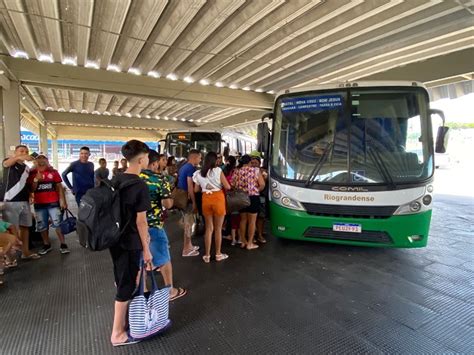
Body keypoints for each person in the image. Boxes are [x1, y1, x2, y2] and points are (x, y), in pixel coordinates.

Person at [109, 140, 153, 347]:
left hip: (114, 239)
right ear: (142, 158)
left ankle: (125, 322)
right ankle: (117, 333)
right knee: (127, 285)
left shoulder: (116, 179)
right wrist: (147, 250)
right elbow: (141, 222)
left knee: (122, 278)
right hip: (131, 241)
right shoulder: (139, 184)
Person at [140, 150, 187, 301]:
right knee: (164, 258)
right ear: (154, 163)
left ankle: (144, 291)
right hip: (153, 224)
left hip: (134, 226)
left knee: (140, 258)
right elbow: (167, 204)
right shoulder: (159, 179)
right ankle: (170, 291)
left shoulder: (133, 178)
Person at [0, 145, 39, 260]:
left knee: (25, 227)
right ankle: (10, 258)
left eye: (26, 151)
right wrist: (19, 157)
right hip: (10, 201)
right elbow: (7, 163)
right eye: (21, 151)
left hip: (24, 200)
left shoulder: (26, 168)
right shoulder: (8, 162)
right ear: (15, 152)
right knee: (12, 229)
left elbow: (26, 184)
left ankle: (25, 251)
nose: (24, 153)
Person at [192, 152, 231, 263]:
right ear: (214, 160)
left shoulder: (198, 173)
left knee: (209, 229)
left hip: (206, 199)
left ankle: (207, 255)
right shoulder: (218, 171)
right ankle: (218, 254)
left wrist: (206, 186)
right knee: (218, 229)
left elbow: (196, 190)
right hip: (218, 198)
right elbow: (227, 186)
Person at [28, 155, 70, 255]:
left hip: (53, 203)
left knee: (58, 223)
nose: (41, 162)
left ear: (47, 161)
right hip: (39, 203)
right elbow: (31, 189)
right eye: (39, 160)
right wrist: (36, 180)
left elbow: (59, 186)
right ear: (35, 162)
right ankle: (46, 244)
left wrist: (63, 200)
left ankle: (63, 243)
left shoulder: (53, 172)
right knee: (42, 225)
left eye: (44, 160)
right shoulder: (32, 173)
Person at [232, 155, 265, 250]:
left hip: (241, 198)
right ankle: (250, 243)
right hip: (253, 197)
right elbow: (262, 184)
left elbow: (232, 185)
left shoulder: (236, 171)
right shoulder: (255, 171)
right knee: (252, 221)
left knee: (243, 220)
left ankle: (243, 241)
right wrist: (256, 190)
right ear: (250, 162)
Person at [176, 149, 201, 257]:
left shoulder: (183, 166)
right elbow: (190, 186)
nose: (200, 159)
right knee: (188, 223)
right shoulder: (191, 168)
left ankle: (189, 245)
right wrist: (194, 202)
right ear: (194, 157)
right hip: (187, 199)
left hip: (181, 197)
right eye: (200, 157)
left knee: (188, 222)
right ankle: (186, 249)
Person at [250, 154, 268, 244]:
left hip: (261, 197)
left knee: (261, 217)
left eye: (255, 163)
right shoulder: (248, 172)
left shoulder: (263, 171)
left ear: (259, 163)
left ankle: (259, 235)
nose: (253, 164)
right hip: (252, 197)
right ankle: (252, 236)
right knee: (251, 218)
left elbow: (264, 184)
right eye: (252, 163)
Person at [222, 156, 240, 245]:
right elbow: (233, 184)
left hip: (224, 195)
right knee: (232, 216)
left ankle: (226, 232)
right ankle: (230, 234)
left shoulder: (223, 171)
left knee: (227, 215)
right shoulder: (234, 172)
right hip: (233, 196)